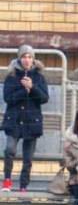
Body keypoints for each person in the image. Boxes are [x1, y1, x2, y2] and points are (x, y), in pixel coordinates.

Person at [3, 44, 48, 193]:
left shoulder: (39, 76)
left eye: (29, 57)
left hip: (31, 122)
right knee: (9, 149)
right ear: (19, 58)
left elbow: (44, 98)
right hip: (14, 120)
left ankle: (23, 186)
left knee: (28, 158)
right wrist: (24, 90)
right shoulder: (11, 76)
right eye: (24, 56)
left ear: (33, 59)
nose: (27, 60)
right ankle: (7, 180)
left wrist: (32, 87)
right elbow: (8, 98)